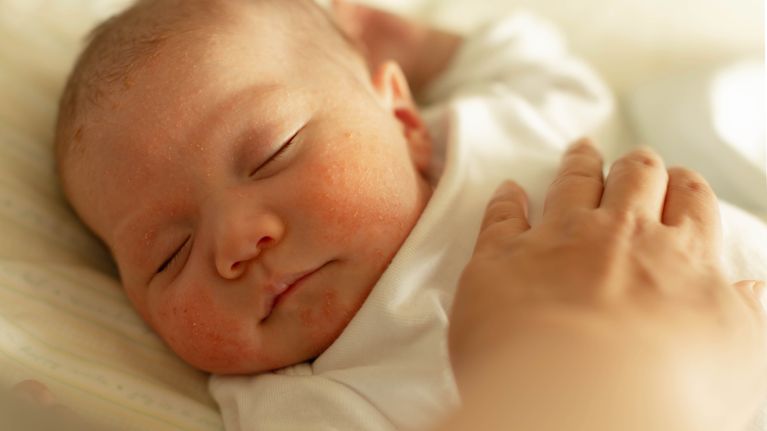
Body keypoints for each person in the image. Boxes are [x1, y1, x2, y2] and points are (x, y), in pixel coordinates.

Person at [46, 0, 767, 429]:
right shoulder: (306, 401)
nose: (236, 239)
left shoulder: (490, 133)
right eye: (166, 256)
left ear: (399, 115)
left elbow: (542, 72)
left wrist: (421, 46)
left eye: (273, 153)